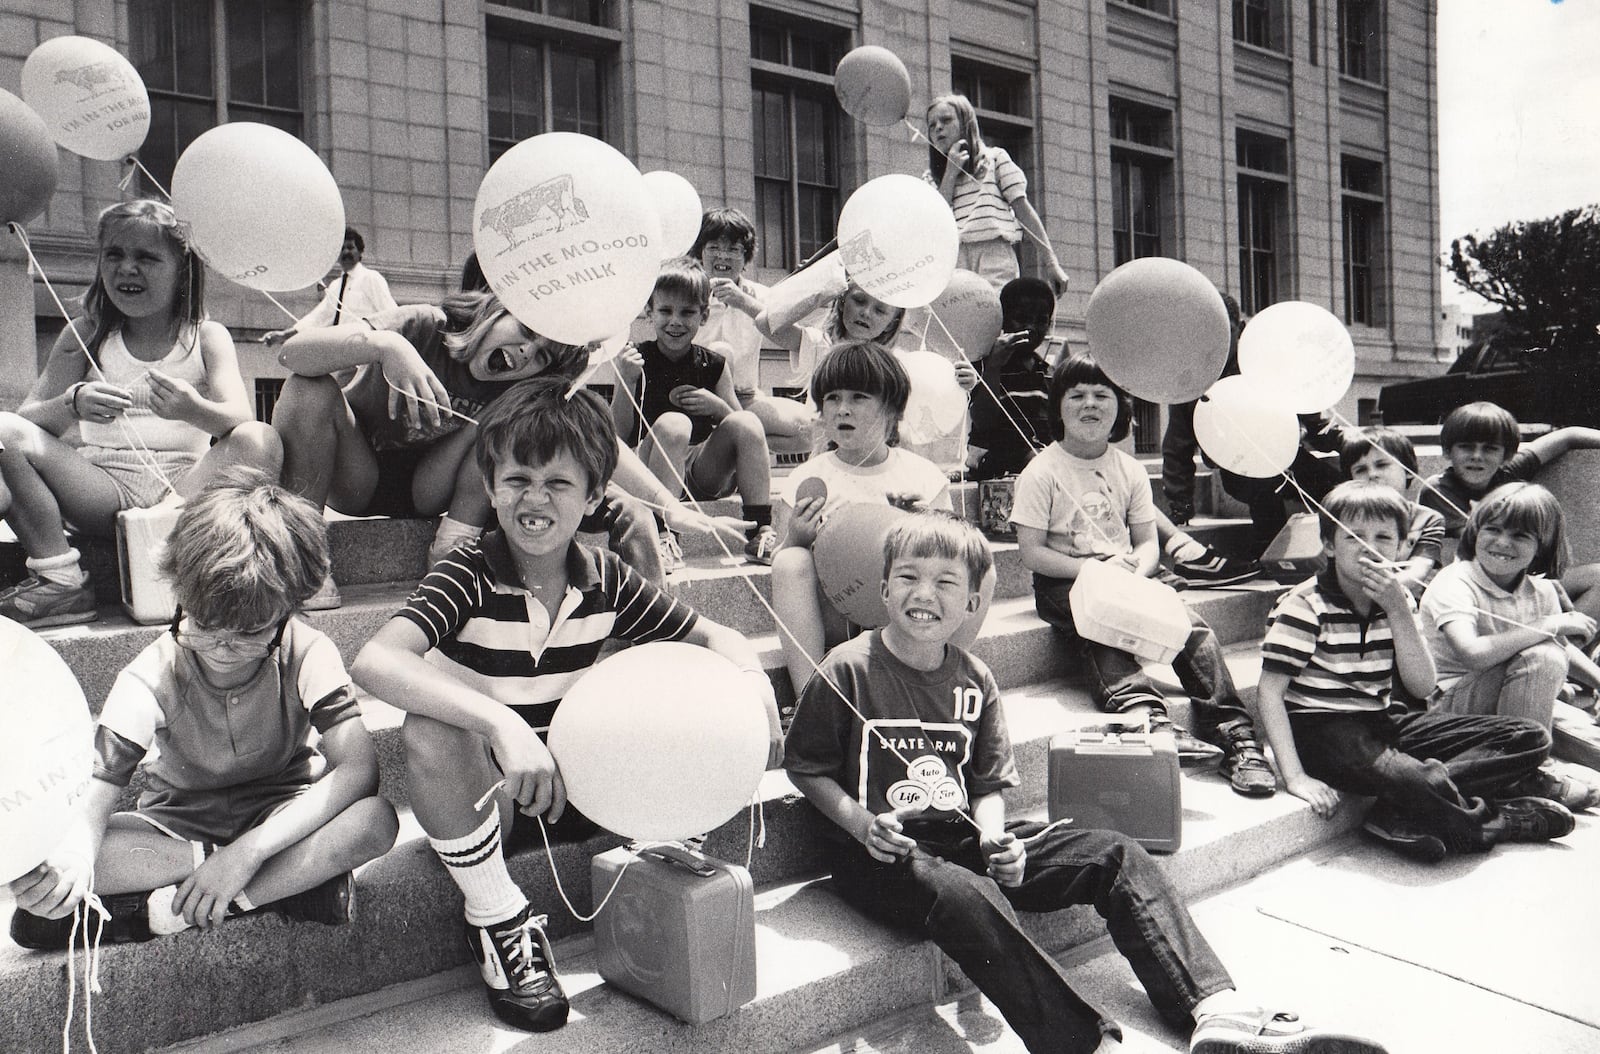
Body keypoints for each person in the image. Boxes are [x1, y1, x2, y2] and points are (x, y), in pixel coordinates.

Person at [783, 510, 1389, 1054]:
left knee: (1114, 852)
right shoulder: (847, 669)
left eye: (946, 583)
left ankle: (1214, 1008)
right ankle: (1083, 1047)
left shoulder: (975, 678)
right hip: (878, 856)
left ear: (971, 604)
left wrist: (998, 842)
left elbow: (988, 782)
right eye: (909, 577)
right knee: (966, 893)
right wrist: (863, 826)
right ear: (884, 589)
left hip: (960, 837)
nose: (925, 594)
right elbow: (806, 767)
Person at [351, 377, 780, 1034]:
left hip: (580, 785)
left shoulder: (604, 577)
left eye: (559, 483)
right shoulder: (467, 572)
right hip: (489, 796)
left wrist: (752, 678)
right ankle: (499, 919)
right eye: (518, 479)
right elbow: (375, 661)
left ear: (594, 496)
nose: (535, 499)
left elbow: (711, 635)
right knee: (431, 728)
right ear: (491, 488)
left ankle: (668, 845)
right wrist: (498, 722)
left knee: (677, 673)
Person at [7, 469, 399, 949]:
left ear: (291, 608)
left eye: (251, 633)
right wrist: (75, 858)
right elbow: (99, 789)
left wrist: (247, 854)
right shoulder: (149, 673)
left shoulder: (307, 651)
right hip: (179, 831)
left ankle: (164, 914)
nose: (223, 648)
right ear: (179, 593)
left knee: (376, 821)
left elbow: (359, 770)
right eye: (206, 625)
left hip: (282, 812)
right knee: (47, 856)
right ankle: (284, 890)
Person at [1255, 480, 1581, 864]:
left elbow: (1422, 685)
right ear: (1329, 545)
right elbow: (1269, 692)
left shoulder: (1398, 598)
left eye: (1383, 537)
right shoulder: (1305, 604)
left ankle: (1401, 811)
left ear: (1400, 547)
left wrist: (1396, 611)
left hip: (1382, 721)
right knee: (1421, 779)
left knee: (1529, 737)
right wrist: (1294, 777)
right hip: (1322, 731)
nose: (1370, 547)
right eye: (1353, 537)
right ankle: (1494, 822)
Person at [0, 199, 281, 628]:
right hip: (103, 488)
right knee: (3, 430)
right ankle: (60, 578)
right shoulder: (86, 333)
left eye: (146, 258)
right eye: (114, 254)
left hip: (185, 490)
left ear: (181, 272)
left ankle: (163, 531)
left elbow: (238, 419)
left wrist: (193, 410)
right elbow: (28, 419)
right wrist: (71, 404)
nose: (127, 268)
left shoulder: (205, 336)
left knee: (260, 438)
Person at [1010, 354, 1276, 796]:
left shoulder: (1129, 468)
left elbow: (1147, 540)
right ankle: (1147, 718)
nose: (1090, 404)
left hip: (1127, 577)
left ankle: (1235, 737)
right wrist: (1095, 571)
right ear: (1058, 406)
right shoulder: (1041, 472)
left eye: (1102, 395)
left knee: (1192, 629)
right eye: (1076, 395)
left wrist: (1140, 568)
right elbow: (1033, 553)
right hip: (1067, 581)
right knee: (1103, 625)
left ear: (1120, 407)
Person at [770, 341, 993, 705]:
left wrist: (926, 524)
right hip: (836, 611)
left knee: (982, 569)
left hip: (908, 612)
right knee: (789, 561)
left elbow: (959, 553)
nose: (843, 409)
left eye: (859, 397)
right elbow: (783, 563)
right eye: (832, 398)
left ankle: (935, 680)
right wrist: (795, 538)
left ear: (891, 410)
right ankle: (813, 700)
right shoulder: (807, 478)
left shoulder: (921, 474)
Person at [609, 258, 778, 567]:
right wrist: (626, 382)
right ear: (650, 312)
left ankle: (760, 529)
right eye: (665, 311)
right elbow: (617, 436)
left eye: (687, 312)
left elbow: (744, 429)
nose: (676, 321)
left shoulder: (713, 365)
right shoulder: (635, 358)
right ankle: (663, 534)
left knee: (747, 420)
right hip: (651, 472)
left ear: (703, 316)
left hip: (702, 472)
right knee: (674, 424)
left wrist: (716, 407)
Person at [1420, 482, 1600, 738]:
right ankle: (1523, 767)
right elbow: (1472, 653)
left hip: (1521, 698)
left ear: (1543, 545)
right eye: (1492, 529)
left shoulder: (1542, 590)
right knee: (1543, 656)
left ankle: (1529, 751)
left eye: (1520, 535)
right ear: (1475, 532)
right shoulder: (1455, 582)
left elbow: (1562, 648)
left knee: (1594, 748)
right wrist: (1548, 625)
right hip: (1455, 710)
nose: (1503, 542)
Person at [1418, 400, 1600, 626]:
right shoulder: (1439, 490)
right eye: (1466, 446)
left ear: (1506, 455)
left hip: (1523, 582)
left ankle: (1565, 646)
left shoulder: (1508, 473)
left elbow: (1568, 437)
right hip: (1477, 592)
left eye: (1490, 448)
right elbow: (1485, 548)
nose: (1477, 456)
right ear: (1447, 451)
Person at [691, 207, 813, 454]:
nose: (723, 257)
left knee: (810, 431)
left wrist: (742, 302)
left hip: (745, 399)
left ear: (746, 257)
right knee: (719, 352)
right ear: (700, 253)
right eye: (714, 247)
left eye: (733, 250)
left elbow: (793, 335)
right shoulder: (688, 291)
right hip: (698, 400)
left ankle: (736, 446)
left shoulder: (760, 296)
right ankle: (725, 442)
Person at [924, 94, 1070, 292]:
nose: (938, 128)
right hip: (954, 260)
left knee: (995, 315)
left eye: (946, 120)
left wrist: (1051, 263)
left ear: (966, 123)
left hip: (993, 254)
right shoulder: (930, 178)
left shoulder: (994, 160)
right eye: (932, 126)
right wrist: (950, 172)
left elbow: (1023, 212)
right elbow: (936, 223)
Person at [1337, 427, 1447, 596]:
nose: (1372, 474)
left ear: (1409, 471)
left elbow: (1417, 572)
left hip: (1405, 600)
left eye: (1382, 465)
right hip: (1352, 602)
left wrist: (1372, 595)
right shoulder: (1344, 518)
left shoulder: (1427, 519)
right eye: (1361, 470)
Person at [262, 227, 397, 347]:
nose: (345, 252)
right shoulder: (335, 286)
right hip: (342, 350)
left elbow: (391, 314)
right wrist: (285, 335)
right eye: (341, 249)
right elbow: (318, 318)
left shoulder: (370, 278)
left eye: (350, 247)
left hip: (367, 351)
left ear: (360, 252)